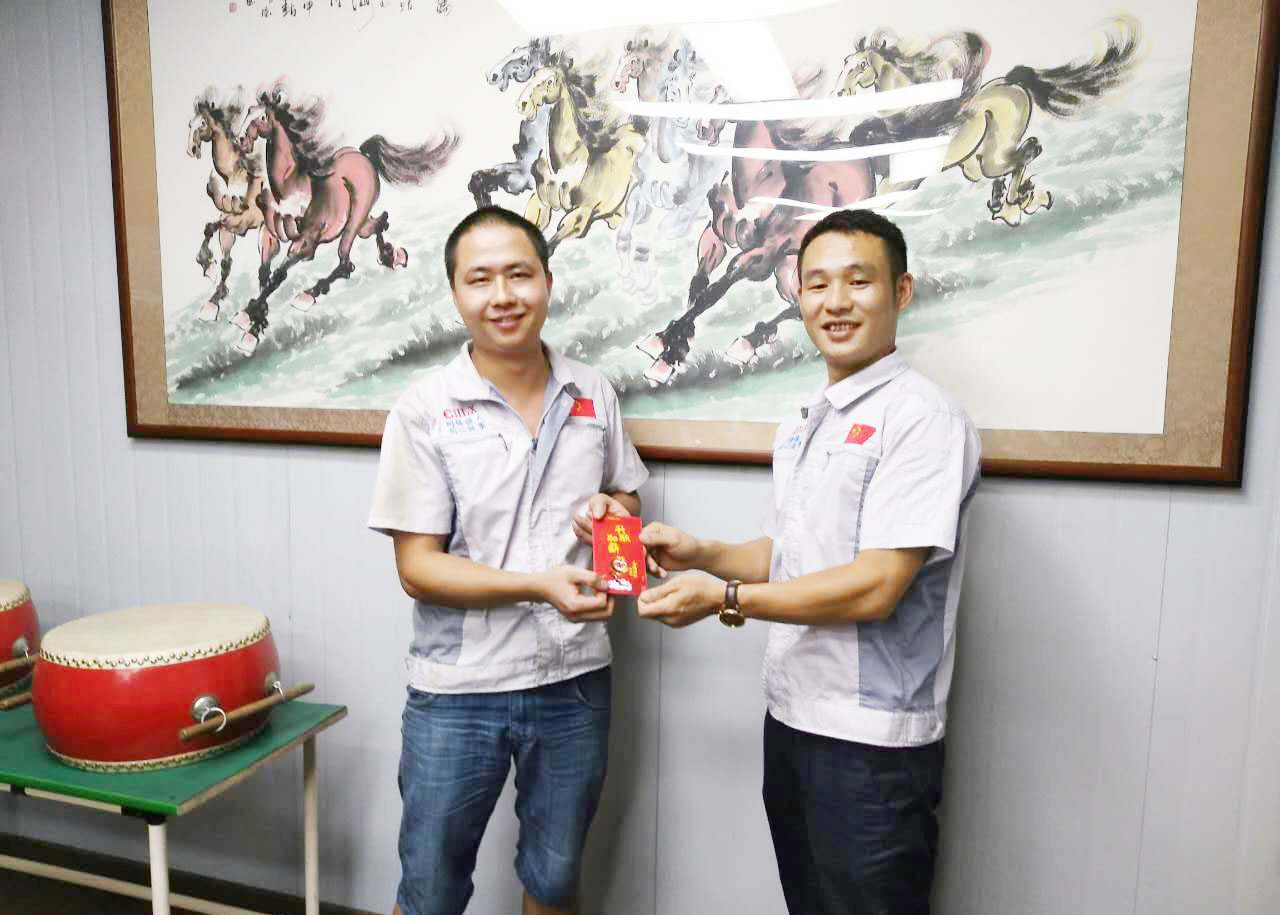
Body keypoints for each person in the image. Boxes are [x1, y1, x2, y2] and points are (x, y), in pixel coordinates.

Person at [637, 209, 981, 914]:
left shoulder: (923, 418)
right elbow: (784, 555)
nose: (835, 301)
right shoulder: (804, 419)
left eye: (859, 281)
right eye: (817, 284)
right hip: (792, 719)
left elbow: (878, 586)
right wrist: (700, 552)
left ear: (902, 291)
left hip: (871, 744)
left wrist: (723, 599)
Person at [368, 206, 648, 915]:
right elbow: (417, 569)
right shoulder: (425, 409)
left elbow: (625, 500)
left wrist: (612, 514)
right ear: (455, 292)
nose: (503, 295)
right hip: (460, 688)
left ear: (548, 281)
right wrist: (537, 586)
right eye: (480, 278)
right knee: (430, 892)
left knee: (555, 881)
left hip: (575, 679)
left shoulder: (593, 392)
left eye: (519, 274)